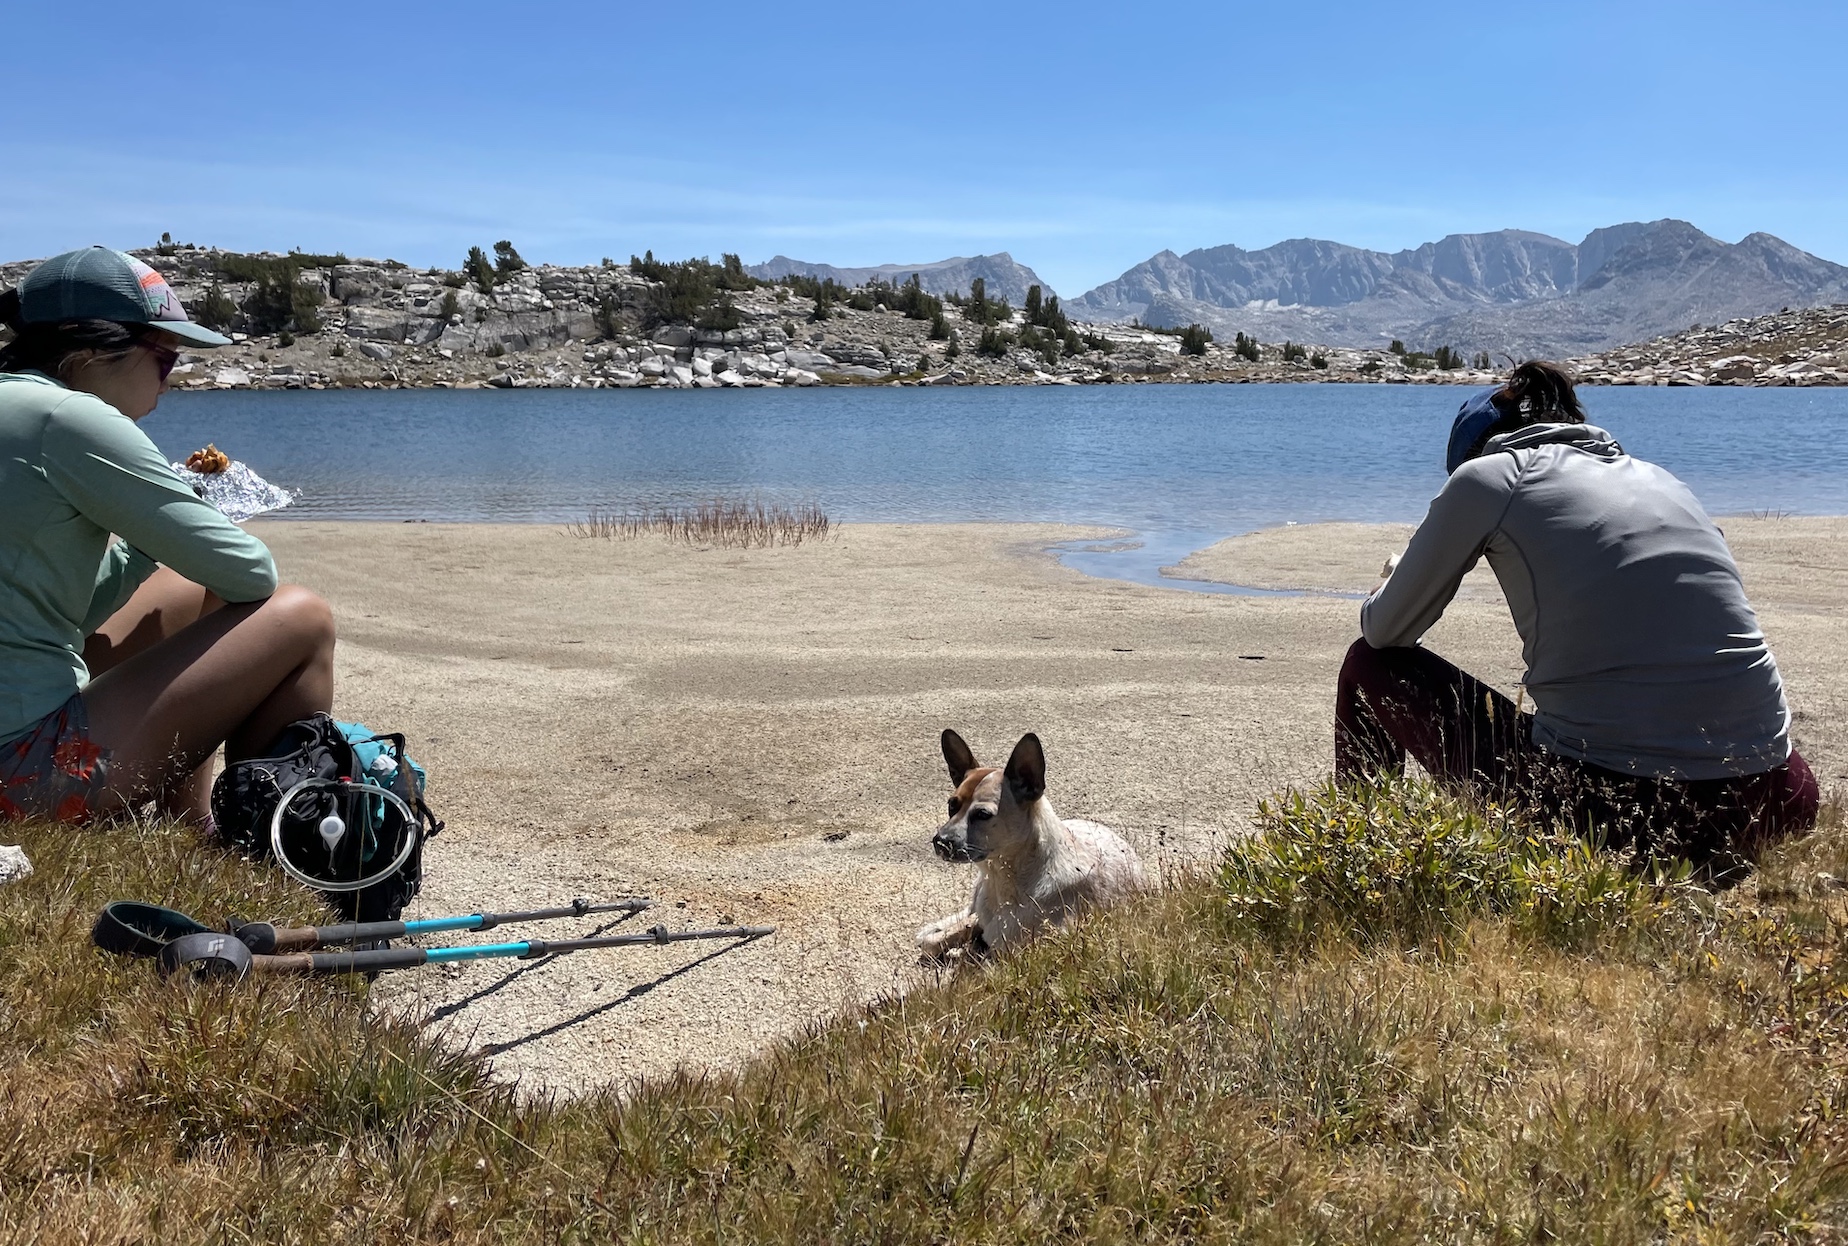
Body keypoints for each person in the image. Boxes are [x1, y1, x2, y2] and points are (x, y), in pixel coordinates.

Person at [1336, 360, 1817, 868]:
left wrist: (1387, 584)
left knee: (1369, 664)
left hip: (1626, 814)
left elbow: (1386, 629)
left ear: (1474, 452)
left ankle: (1359, 858)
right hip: (1779, 800)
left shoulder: (1490, 477)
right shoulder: (1664, 482)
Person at [0, 246, 335, 826]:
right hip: (20, 774)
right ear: (93, 350)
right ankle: (257, 839)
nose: (171, 380)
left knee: (182, 587)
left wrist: (147, 533)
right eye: (166, 359)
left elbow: (62, 613)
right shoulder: (70, 417)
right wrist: (177, 510)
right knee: (302, 617)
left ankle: (191, 820)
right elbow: (249, 572)